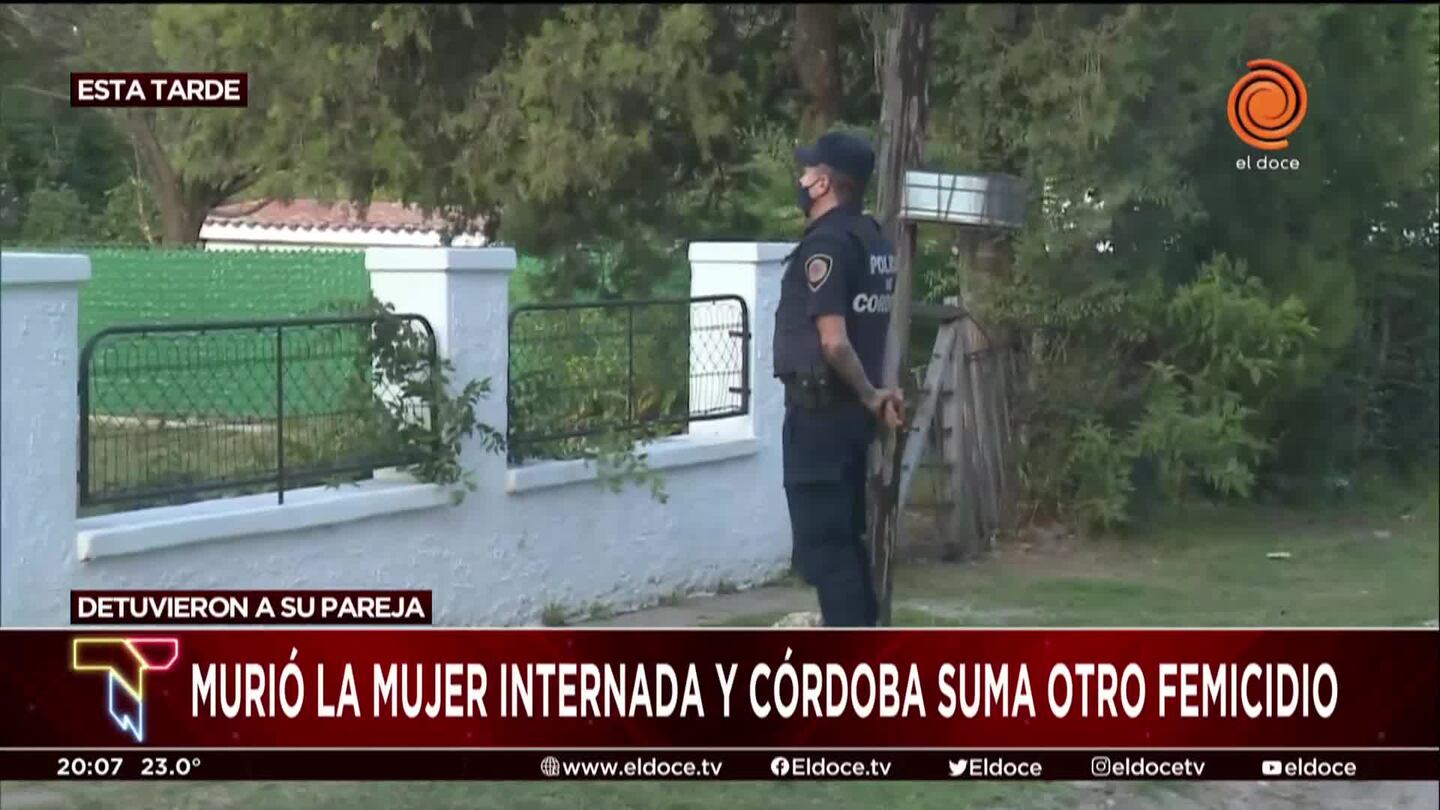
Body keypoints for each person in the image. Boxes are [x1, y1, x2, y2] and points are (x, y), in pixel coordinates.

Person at [773, 131, 905, 628]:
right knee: (846, 545)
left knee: (826, 550)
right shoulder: (872, 239)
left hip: (822, 415)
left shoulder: (826, 244)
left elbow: (833, 341)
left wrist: (872, 394)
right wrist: (881, 390)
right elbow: (881, 325)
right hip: (850, 418)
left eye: (808, 172)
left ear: (824, 184)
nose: (802, 178)